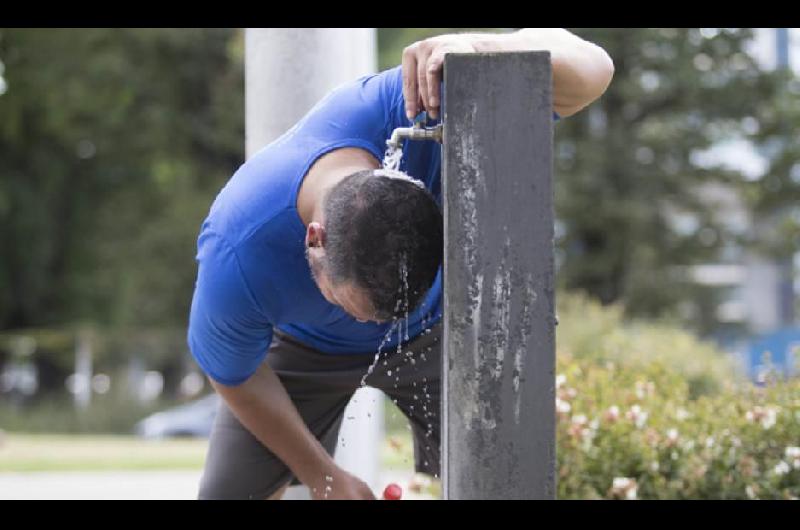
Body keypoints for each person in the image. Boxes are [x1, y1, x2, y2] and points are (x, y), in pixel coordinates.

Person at [188, 28, 614, 500]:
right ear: (315, 241)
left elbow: (595, 69)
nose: (375, 329)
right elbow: (234, 374)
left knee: (511, 472)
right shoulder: (238, 249)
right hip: (309, 348)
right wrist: (323, 476)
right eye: (356, 309)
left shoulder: (420, 104)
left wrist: (481, 48)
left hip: (434, 332)